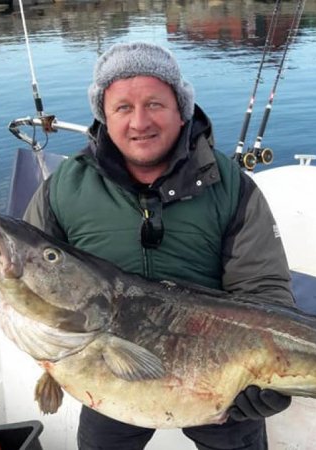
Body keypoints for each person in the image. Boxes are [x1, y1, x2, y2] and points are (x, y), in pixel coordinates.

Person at [24, 41, 295, 450]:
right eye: (123, 107)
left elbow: (263, 286)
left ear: (181, 109)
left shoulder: (230, 186)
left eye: (154, 104)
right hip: (108, 371)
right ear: (104, 116)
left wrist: (264, 368)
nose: (140, 122)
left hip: (219, 372)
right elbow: (26, 279)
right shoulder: (64, 187)